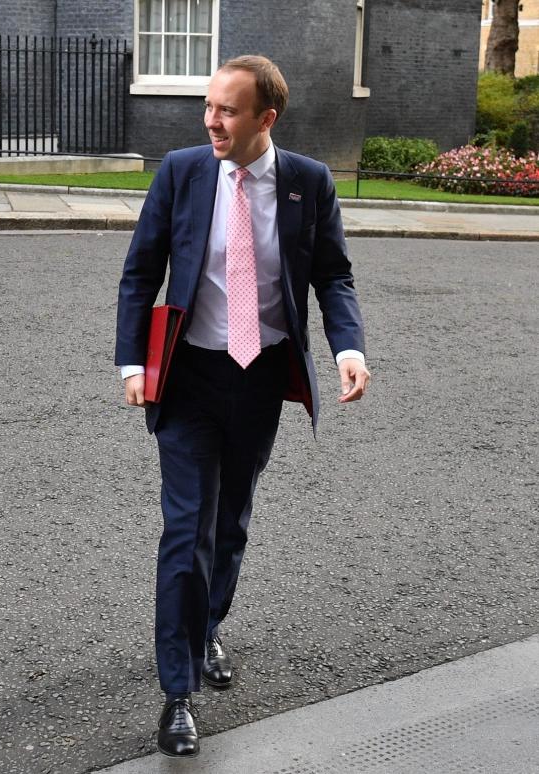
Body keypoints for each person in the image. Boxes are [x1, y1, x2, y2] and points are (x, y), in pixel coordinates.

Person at [114, 55, 370, 758]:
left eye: (227, 109)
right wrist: (132, 361)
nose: (211, 120)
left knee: (231, 523)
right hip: (190, 376)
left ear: (267, 117)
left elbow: (333, 274)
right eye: (208, 106)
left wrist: (348, 347)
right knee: (186, 527)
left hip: (260, 376)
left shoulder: (308, 183)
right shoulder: (183, 172)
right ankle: (177, 691)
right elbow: (142, 269)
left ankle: (206, 629)